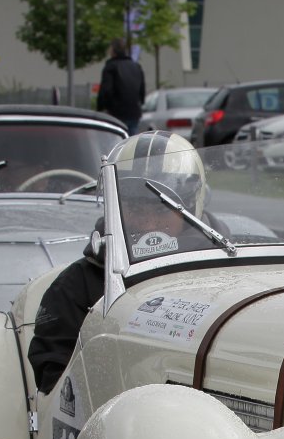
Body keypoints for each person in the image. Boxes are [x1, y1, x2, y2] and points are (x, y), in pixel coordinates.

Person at [28, 131, 212, 393]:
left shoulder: (226, 272)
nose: (148, 224)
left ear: (193, 207)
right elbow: (55, 382)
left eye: (162, 209)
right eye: (135, 209)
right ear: (115, 207)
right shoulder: (77, 284)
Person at [95, 40, 146, 134]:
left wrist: (101, 107)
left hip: (116, 113)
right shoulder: (136, 66)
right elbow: (141, 89)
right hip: (134, 111)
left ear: (113, 51)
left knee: (117, 138)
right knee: (132, 139)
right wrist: (140, 102)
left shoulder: (110, 67)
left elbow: (106, 90)